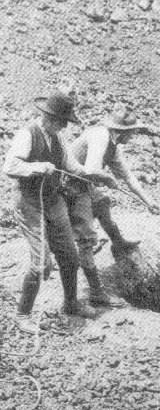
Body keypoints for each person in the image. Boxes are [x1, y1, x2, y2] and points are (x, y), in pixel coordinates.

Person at [2, 92, 101, 334]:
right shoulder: (28, 134)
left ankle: (71, 303)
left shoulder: (58, 138)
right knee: (41, 262)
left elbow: (71, 166)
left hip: (53, 199)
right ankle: (23, 314)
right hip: (29, 201)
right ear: (49, 117)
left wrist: (94, 175)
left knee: (69, 255)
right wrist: (37, 167)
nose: (65, 126)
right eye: (62, 121)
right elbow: (10, 166)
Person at [64, 103, 160, 306]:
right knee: (87, 238)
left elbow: (128, 177)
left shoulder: (113, 147)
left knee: (102, 203)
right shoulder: (100, 136)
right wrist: (108, 179)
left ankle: (118, 242)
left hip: (84, 183)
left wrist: (149, 202)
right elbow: (91, 169)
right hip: (69, 185)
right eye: (132, 132)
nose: (133, 136)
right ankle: (97, 292)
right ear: (123, 131)